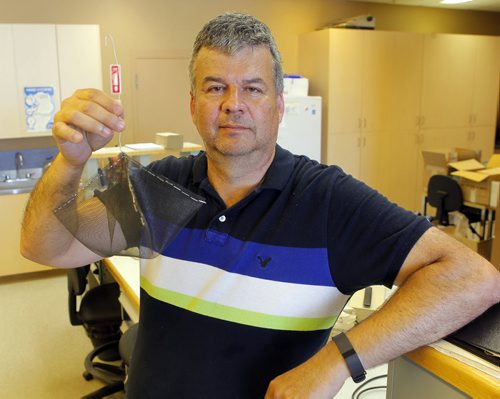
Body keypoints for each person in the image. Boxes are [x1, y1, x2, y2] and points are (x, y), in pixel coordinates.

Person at [21, 12, 500, 399]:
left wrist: (337, 361)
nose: (234, 104)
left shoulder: (329, 202)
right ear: (193, 105)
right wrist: (69, 161)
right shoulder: (158, 189)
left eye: (252, 87)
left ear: (278, 104)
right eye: (215, 88)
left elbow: (472, 276)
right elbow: (46, 248)